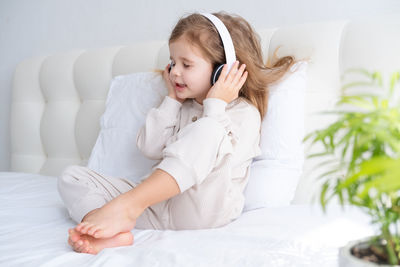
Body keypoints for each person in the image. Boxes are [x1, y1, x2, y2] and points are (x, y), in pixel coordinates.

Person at [57, 11, 295, 254]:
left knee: (209, 128)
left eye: (186, 64)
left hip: (203, 210)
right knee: (72, 177)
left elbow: (213, 151)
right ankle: (107, 229)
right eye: (173, 63)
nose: (175, 72)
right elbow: (149, 147)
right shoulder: (181, 106)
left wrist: (215, 104)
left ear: (222, 70)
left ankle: (125, 207)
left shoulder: (244, 113)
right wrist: (172, 99)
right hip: (157, 206)